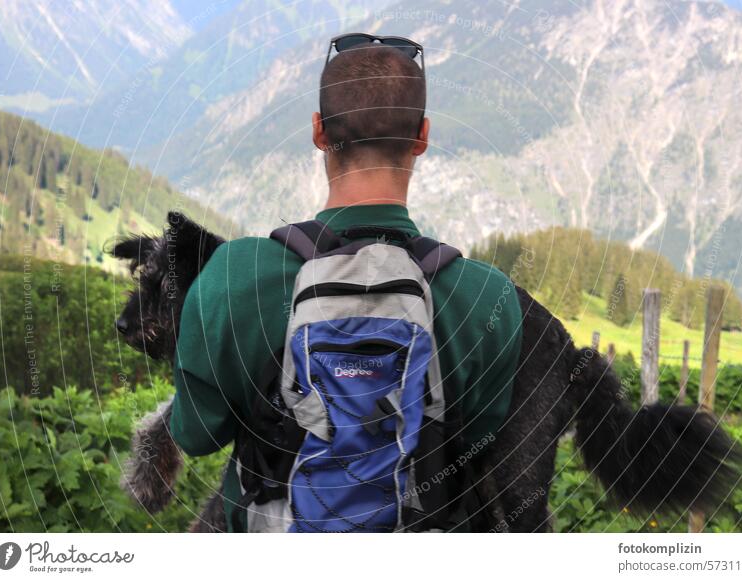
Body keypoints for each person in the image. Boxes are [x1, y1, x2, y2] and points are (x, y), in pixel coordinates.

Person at [170, 34, 523, 532]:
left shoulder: (234, 273)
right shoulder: (488, 297)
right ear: (422, 136)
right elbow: (479, 439)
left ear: (319, 131)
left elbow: (195, 434)